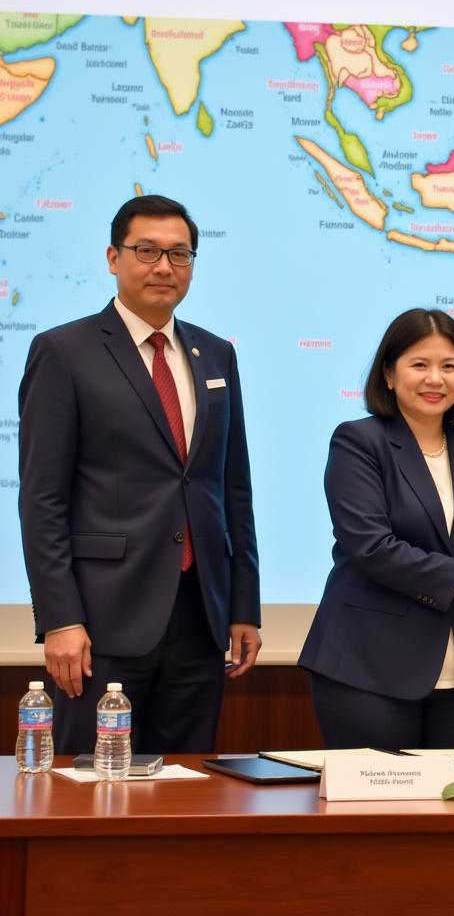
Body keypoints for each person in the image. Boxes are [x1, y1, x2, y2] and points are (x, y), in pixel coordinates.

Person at [18, 194, 261, 754]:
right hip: (101, 621)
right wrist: (59, 619)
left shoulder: (216, 354)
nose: (163, 267)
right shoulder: (64, 351)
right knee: (87, 791)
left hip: (200, 617)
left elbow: (233, 489)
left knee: (186, 792)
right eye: (146, 251)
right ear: (113, 257)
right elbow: (42, 500)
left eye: (180, 254)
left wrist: (243, 605)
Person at [299, 309, 454, 749]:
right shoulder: (358, 442)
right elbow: (372, 548)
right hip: (369, 669)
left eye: (449, 366)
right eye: (419, 364)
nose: (434, 379)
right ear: (388, 373)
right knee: (376, 816)